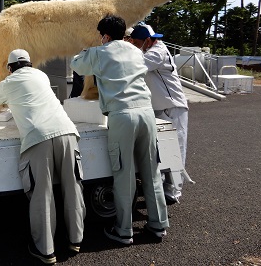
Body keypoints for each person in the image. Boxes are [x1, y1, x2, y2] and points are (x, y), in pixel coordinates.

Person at [0, 49, 85, 264]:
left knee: (42, 193)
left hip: (38, 138)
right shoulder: (42, 76)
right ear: (30, 64)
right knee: (73, 186)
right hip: (67, 132)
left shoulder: (9, 82)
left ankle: (46, 250)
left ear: (10, 68)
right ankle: (76, 240)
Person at [71, 15, 169, 245]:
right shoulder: (135, 51)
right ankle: (157, 225)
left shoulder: (100, 52)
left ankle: (124, 230)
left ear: (104, 35)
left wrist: (87, 49)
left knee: (124, 174)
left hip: (122, 116)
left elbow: (76, 64)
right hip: (146, 113)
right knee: (151, 171)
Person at [130, 25, 189, 168]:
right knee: (162, 150)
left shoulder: (158, 52)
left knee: (175, 149)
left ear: (148, 40)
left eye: (137, 44)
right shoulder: (151, 50)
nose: (137, 47)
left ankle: (175, 190)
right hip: (161, 108)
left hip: (172, 108)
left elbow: (134, 66)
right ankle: (167, 187)